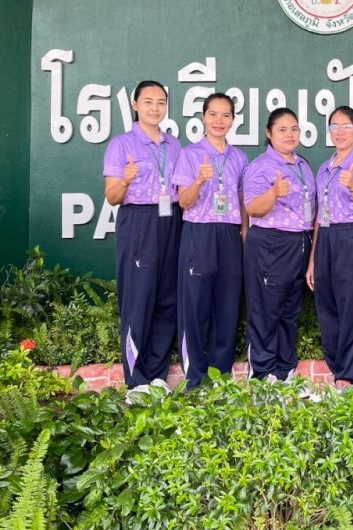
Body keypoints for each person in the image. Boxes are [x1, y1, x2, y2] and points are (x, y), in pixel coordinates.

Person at [102, 80, 182, 397]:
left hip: (171, 219)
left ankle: (157, 375)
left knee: (167, 298)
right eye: (148, 101)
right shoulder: (122, 144)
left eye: (161, 102)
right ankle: (136, 381)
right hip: (138, 220)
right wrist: (125, 179)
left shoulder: (174, 145)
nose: (155, 108)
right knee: (138, 299)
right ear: (135, 105)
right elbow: (112, 196)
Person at [172, 93, 249, 388]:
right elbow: (184, 202)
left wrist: (244, 233)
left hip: (229, 234)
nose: (219, 121)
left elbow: (242, 200)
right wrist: (200, 180)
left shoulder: (239, 157)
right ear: (203, 117)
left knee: (227, 306)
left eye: (225, 115)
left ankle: (220, 377)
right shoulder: (190, 154)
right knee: (194, 306)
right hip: (199, 233)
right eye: (213, 114)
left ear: (233, 119)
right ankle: (195, 378)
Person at [305, 106, 353, 388]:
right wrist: (313, 258)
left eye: (346, 126)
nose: (340, 132)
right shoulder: (324, 168)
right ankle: (337, 371)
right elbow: (319, 217)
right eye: (334, 126)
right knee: (327, 308)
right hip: (326, 239)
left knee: (351, 308)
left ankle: (349, 376)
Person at [243, 107, 316, 381]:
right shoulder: (260, 166)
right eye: (282, 129)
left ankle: (285, 372)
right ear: (269, 133)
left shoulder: (303, 165)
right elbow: (252, 208)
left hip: (299, 242)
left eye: (294, 129)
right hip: (270, 243)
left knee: (289, 312)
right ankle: (262, 375)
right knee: (266, 311)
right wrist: (273, 193)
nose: (289, 134)